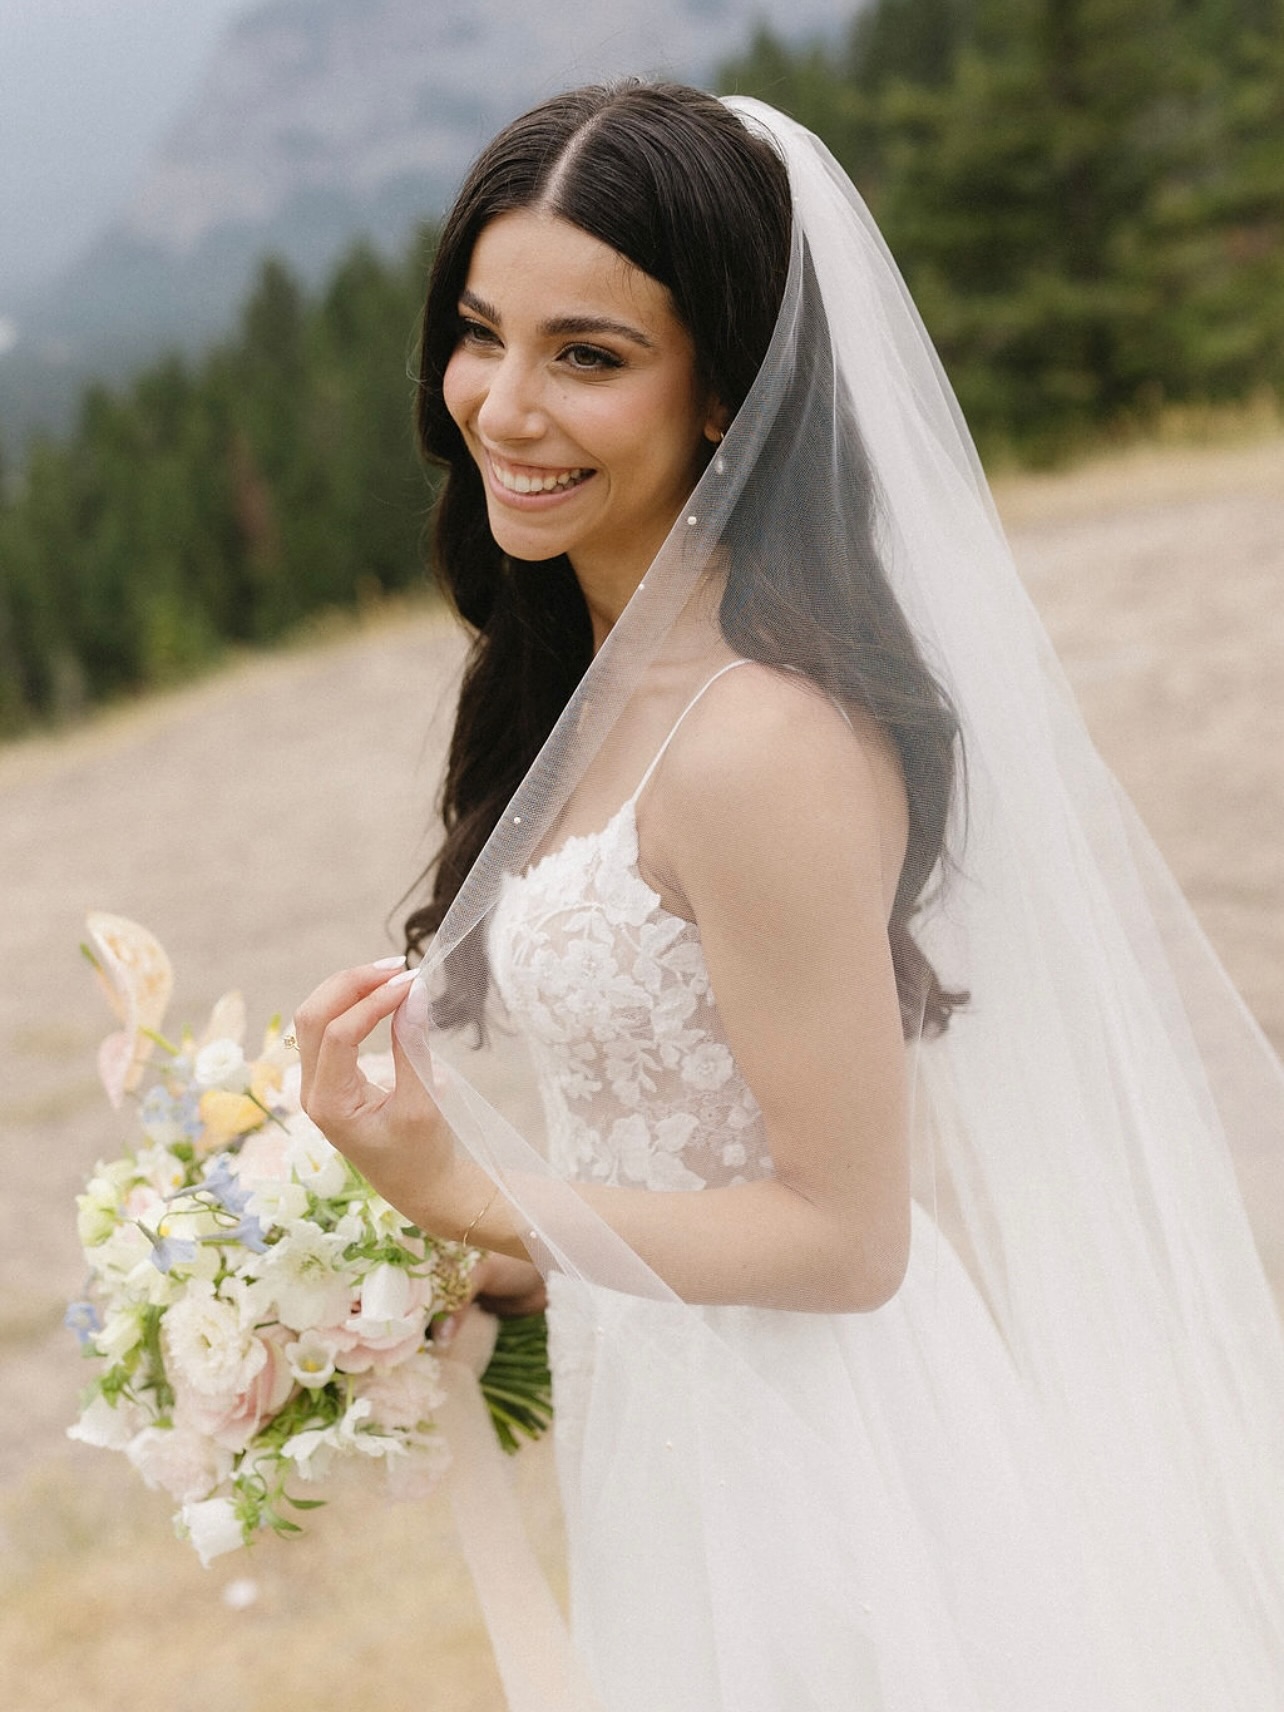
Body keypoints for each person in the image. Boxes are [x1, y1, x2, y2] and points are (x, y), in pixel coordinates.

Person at [291, 84, 1284, 1712]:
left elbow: (841, 1237)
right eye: (482, 335)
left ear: (727, 395)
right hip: (680, 1423)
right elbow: (695, 1140)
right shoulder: (599, 675)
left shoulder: (758, 735)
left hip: (826, 1466)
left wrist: (467, 1187)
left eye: (590, 356)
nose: (504, 407)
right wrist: (440, 1265)